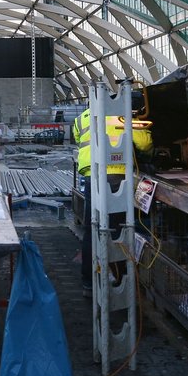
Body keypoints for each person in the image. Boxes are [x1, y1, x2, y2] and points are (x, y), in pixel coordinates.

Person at [72, 107, 152, 296]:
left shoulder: (82, 117)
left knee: (93, 227)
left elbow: (78, 139)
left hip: (93, 174)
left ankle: (89, 283)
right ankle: (121, 280)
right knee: (119, 228)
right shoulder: (123, 112)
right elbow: (145, 144)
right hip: (116, 174)